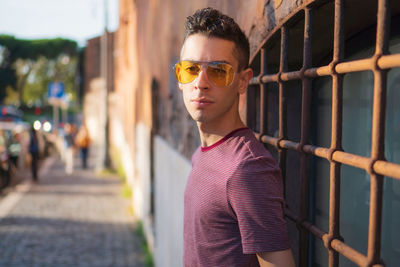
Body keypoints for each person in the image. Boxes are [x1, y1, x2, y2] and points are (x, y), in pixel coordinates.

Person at [175, 7, 295, 267]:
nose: (201, 82)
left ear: (242, 81)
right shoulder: (202, 152)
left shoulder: (247, 169)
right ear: (180, 78)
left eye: (218, 71)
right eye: (191, 69)